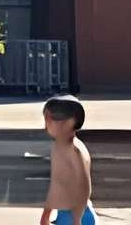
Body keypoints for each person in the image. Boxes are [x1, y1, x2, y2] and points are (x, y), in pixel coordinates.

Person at [40, 96, 95, 225]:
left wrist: (77, 218)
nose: (45, 126)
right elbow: (57, 184)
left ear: (67, 122)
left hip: (76, 215)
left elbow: (84, 186)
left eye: (48, 120)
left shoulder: (74, 149)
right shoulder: (60, 147)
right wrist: (47, 213)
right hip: (66, 215)